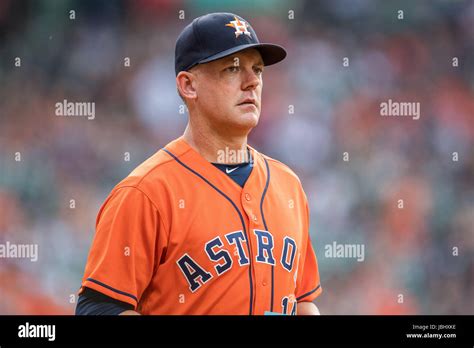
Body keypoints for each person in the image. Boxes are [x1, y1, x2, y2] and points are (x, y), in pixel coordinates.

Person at [76, 12, 322, 315]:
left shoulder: (289, 186)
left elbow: (303, 300)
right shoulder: (146, 192)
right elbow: (98, 308)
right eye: (232, 69)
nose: (251, 82)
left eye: (257, 69)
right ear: (188, 86)